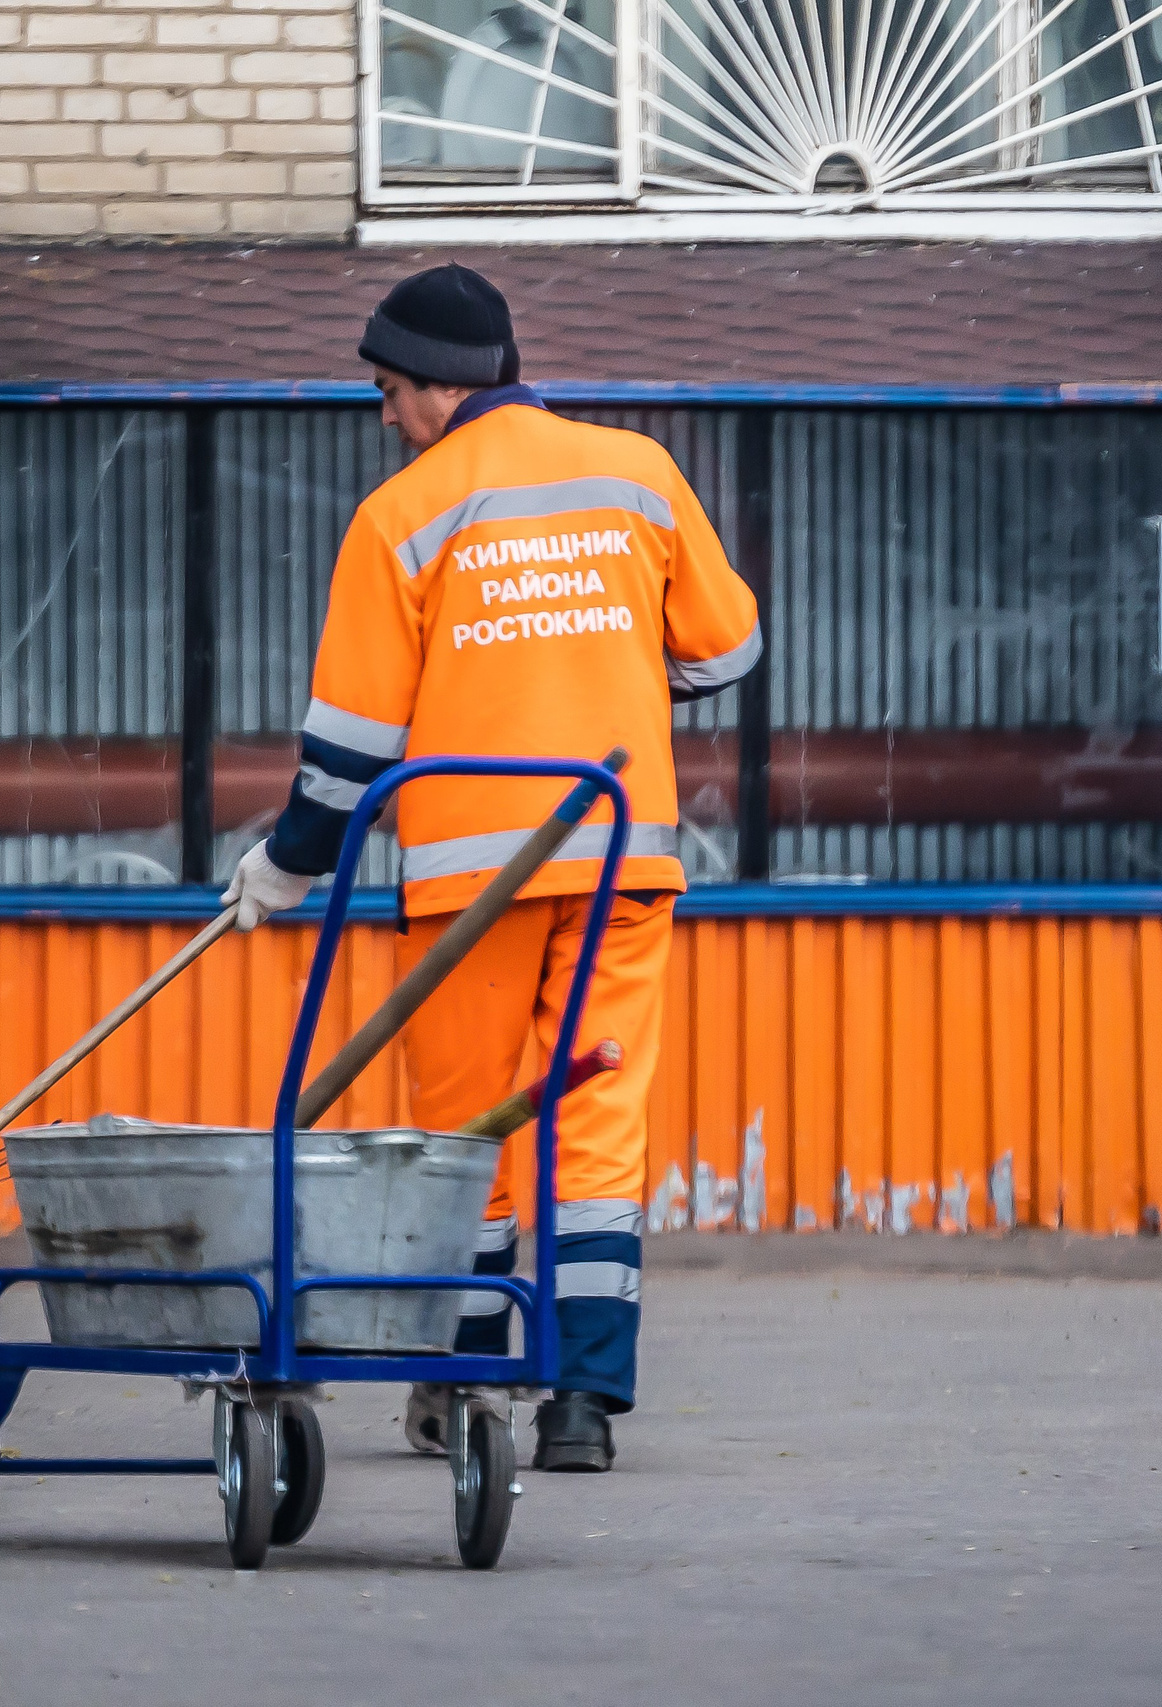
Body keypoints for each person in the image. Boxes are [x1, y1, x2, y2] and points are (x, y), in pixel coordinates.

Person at [222, 263, 763, 1472]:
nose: (385, 417)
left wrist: (288, 864)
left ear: (438, 383)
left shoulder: (401, 518)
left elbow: (351, 745)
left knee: (463, 1135)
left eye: (388, 390)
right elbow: (728, 651)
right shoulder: (637, 474)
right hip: (621, 861)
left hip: (469, 887)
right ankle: (580, 1404)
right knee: (596, 1121)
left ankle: (464, 1383)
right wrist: (603, 660)